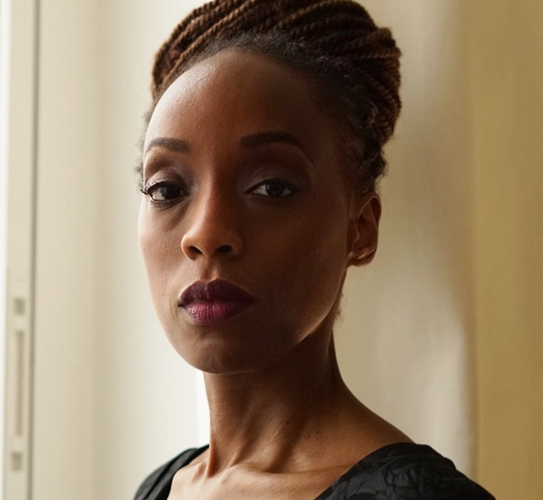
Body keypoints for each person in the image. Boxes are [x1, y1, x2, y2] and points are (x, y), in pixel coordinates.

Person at [134, 0, 495, 499]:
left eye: (272, 187)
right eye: (167, 190)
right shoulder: (160, 487)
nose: (206, 233)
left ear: (360, 229)